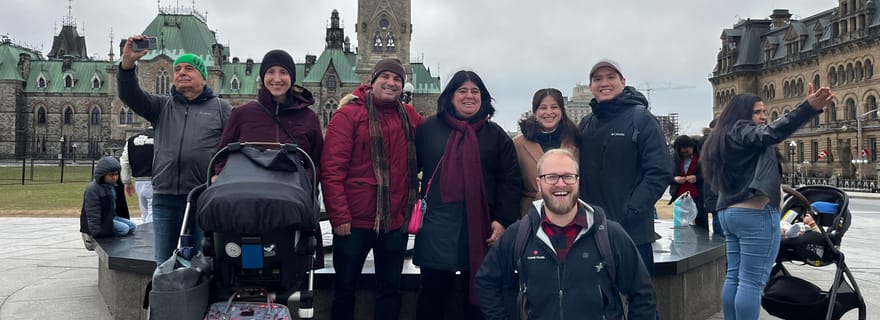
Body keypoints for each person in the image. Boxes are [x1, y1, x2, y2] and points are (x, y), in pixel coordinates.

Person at [700, 86, 833, 320]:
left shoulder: (723, 136)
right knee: (751, 281)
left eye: (764, 111)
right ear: (741, 114)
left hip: (729, 212)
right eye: (757, 112)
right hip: (754, 212)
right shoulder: (743, 130)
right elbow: (771, 133)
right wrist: (808, 108)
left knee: (735, 276)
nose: (763, 117)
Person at [475, 149, 656, 320]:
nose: (560, 184)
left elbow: (642, 294)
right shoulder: (519, 235)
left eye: (568, 176)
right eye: (551, 177)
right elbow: (486, 281)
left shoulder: (609, 234)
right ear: (539, 183)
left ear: (578, 181)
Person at [414, 70, 522, 319]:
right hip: (436, 227)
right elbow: (409, 172)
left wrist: (503, 220)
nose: (469, 96)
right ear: (450, 96)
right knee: (432, 296)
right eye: (462, 91)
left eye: (475, 91)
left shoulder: (496, 136)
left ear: (483, 98)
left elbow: (510, 181)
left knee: (478, 296)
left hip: (481, 226)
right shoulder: (428, 130)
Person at [321, 57, 423, 320]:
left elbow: (435, 138)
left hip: (394, 222)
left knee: (391, 290)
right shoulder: (349, 115)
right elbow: (332, 170)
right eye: (385, 77)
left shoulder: (409, 116)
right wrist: (339, 216)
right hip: (354, 223)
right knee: (344, 290)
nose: (391, 83)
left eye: (397, 79)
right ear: (373, 80)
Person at [117, 35, 232, 264]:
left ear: (203, 77)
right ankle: (163, 300)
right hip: (165, 197)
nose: (181, 72)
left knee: (203, 263)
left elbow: (233, 148)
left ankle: (199, 300)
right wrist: (128, 64)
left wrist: (223, 175)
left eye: (189, 68)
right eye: (177, 69)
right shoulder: (161, 106)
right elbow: (130, 96)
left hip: (203, 197)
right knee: (164, 263)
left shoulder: (221, 109)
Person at [578, 59, 672, 277]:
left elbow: (659, 170)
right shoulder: (586, 123)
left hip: (633, 233)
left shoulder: (642, 118)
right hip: (591, 232)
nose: (604, 83)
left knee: (640, 301)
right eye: (598, 79)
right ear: (591, 86)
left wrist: (631, 210)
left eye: (611, 77)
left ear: (623, 82)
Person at [214, 49, 322, 177]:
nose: (277, 79)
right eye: (271, 72)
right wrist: (227, 178)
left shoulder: (309, 118)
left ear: (291, 78)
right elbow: (221, 156)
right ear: (263, 76)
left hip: (291, 194)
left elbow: (316, 162)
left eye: (283, 72)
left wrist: (305, 182)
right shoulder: (241, 114)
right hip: (248, 193)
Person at [513, 88, 579, 216]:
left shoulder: (576, 140)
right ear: (535, 112)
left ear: (562, 111)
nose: (549, 112)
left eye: (554, 107)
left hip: (572, 211)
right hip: (532, 214)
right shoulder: (518, 144)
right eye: (543, 108)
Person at [80, 156, 137, 249]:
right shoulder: (93, 189)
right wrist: (96, 231)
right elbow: (92, 211)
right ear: (103, 175)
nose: (115, 177)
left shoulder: (114, 186)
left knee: (132, 227)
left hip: (111, 216)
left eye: (116, 174)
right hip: (102, 220)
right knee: (124, 229)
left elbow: (120, 205)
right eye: (111, 175)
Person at [668, 135, 707, 228]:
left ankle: (702, 239)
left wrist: (697, 178)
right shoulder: (674, 158)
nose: (686, 154)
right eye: (683, 153)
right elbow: (666, 174)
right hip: (680, 194)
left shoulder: (701, 156)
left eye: (687, 151)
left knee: (700, 219)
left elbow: (709, 174)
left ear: (692, 147)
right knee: (681, 222)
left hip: (698, 193)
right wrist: (674, 179)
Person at [120, 126, 155, 223]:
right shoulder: (162, 137)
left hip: (139, 182)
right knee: (154, 214)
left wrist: (127, 181)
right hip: (156, 181)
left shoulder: (132, 140)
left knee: (145, 213)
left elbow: (124, 162)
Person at [699, 119, 723, 235]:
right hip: (716, 190)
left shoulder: (708, 142)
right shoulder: (711, 143)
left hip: (714, 190)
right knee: (719, 222)